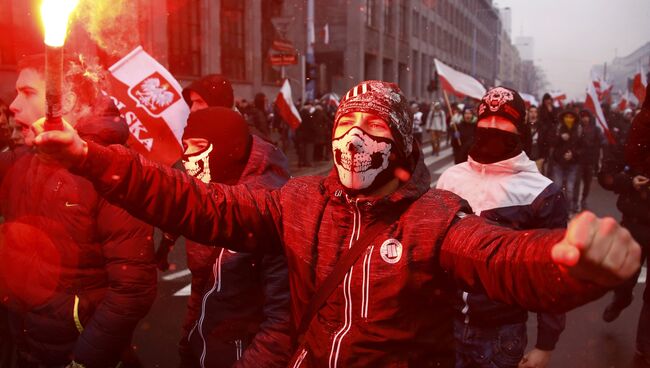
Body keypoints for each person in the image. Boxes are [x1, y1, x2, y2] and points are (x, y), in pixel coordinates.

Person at [34, 80, 640, 368]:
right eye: (346, 125)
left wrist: (571, 265)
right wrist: (95, 160)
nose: (355, 139)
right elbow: (201, 205)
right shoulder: (297, 203)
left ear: (400, 146)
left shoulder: (433, 219)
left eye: (374, 131)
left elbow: (501, 257)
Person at [0, 54, 157, 368]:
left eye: (28, 92)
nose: (13, 105)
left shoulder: (111, 171)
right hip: (28, 346)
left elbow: (133, 287)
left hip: (78, 353)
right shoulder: (20, 162)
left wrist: (86, 358)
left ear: (66, 99)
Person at [437, 87, 567, 368]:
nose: (494, 128)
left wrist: (546, 344)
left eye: (504, 121)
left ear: (520, 129)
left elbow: (552, 274)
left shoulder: (542, 192)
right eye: (487, 120)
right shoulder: (450, 178)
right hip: (444, 326)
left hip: (500, 333)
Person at [177, 107, 292, 368]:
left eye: (199, 145)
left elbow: (282, 324)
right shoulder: (207, 201)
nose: (187, 155)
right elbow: (202, 285)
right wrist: (188, 343)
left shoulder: (268, 211)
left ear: (229, 148)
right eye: (185, 145)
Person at [600, 83, 650, 365]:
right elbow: (606, 174)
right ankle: (621, 298)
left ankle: (644, 348)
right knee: (625, 277)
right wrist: (630, 181)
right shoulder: (634, 133)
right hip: (635, 222)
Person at [551, 110, 582, 214]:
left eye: (571, 117)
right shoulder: (558, 128)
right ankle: (556, 210)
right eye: (567, 117)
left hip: (572, 164)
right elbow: (551, 142)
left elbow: (582, 148)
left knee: (569, 190)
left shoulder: (578, 130)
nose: (569, 119)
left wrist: (572, 154)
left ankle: (567, 211)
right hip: (558, 163)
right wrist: (560, 138)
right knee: (557, 187)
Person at [575, 110, 604, 212]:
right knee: (577, 182)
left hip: (590, 160)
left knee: (587, 182)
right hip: (579, 160)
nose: (585, 119)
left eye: (586, 116)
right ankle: (576, 202)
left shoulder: (596, 129)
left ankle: (583, 199)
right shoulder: (578, 128)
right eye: (583, 117)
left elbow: (602, 140)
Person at [538, 93, 558, 176]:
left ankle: (549, 174)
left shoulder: (555, 109)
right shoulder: (540, 109)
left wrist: (551, 112)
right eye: (546, 100)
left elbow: (556, 120)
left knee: (550, 158)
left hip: (551, 136)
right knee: (542, 158)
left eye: (549, 100)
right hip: (542, 135)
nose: (547, 102)